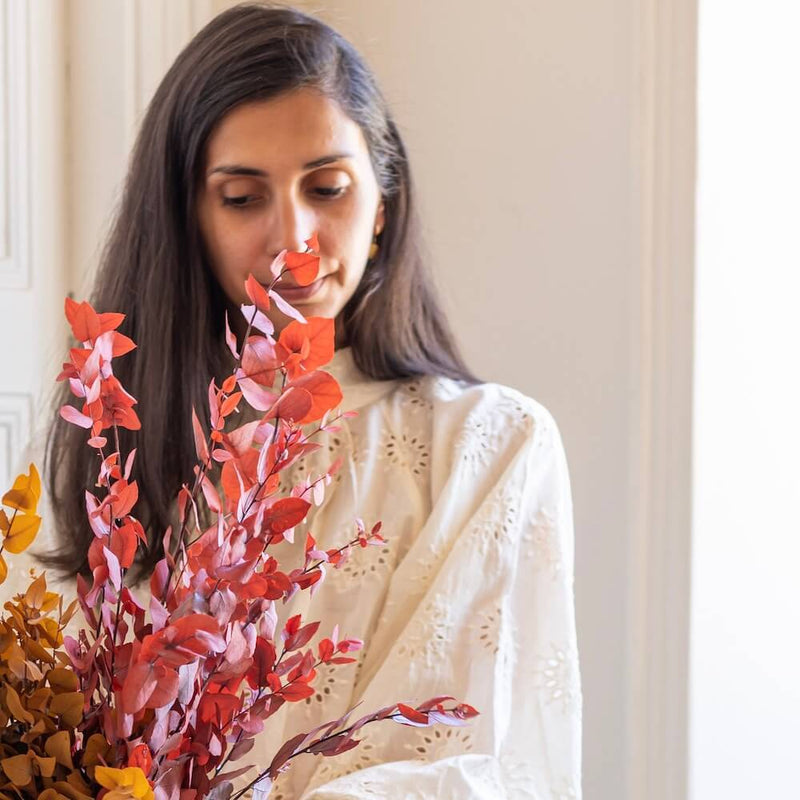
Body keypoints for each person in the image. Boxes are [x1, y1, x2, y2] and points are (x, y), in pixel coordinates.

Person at [16, 4, 581, 797]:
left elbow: (473, 761)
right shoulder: (126, 443)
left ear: (382, 207)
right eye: (243, 198)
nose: (296, 238)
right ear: (190, 221)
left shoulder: (490, 443)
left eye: (329, 188)